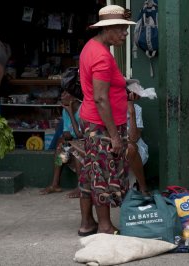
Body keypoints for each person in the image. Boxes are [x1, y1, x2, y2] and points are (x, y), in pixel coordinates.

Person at [77, 4, 135, 236]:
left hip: (92, 120)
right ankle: (104, 225)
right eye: (121, 28)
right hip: (101, 124)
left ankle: (87, 223)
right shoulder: (101, 55)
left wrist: (124, 88)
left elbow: (102, 90)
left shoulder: (92, 47)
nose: (125, 33)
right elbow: (101, 98)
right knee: (103, 172)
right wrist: (114, 136)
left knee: (90, 171)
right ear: (107, 29)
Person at [39, 81, 84, 198]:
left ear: (73, 97)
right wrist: (65, 138)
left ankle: (81, 186)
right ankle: (55, 184)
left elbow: (81, 136)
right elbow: (67, 133)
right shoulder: (65, 110)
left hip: (85, 147)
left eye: (65, 93)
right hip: (74, 144)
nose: (62, 95)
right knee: (60, 148)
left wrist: (70, 113)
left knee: (76, 146)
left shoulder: (83, 110)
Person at [126, 101, 149, 195]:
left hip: (135, 147)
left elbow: (134, 138)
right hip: (113, 144)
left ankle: (143, 188)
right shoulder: (107, 107)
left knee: (131, 147)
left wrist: (131, 112)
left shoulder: (136, 108)